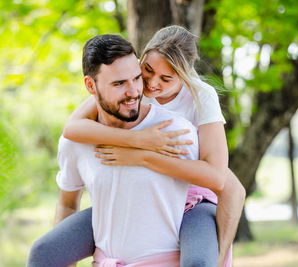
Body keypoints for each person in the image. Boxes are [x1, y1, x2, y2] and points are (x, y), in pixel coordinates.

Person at [29, 26, 245, 267]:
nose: (150, 84)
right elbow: (72, 129)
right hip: (134, 196)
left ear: (183, 76)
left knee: (199, 261)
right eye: (147, 71)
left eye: (166, 78)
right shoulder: (129, 88)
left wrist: (141, 156)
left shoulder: (199, 97)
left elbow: (218, 178)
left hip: (191, 197)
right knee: (45, 251)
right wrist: (140, 141)